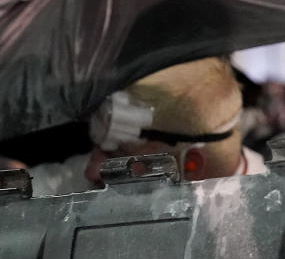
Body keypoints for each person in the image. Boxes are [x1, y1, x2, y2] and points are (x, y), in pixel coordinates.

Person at [29, 56, 266, 196]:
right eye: (99, 149)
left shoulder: (268, 217)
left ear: (191, 165)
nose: (91, 172)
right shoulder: (98, 176)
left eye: (118, 157)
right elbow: (42, 186)